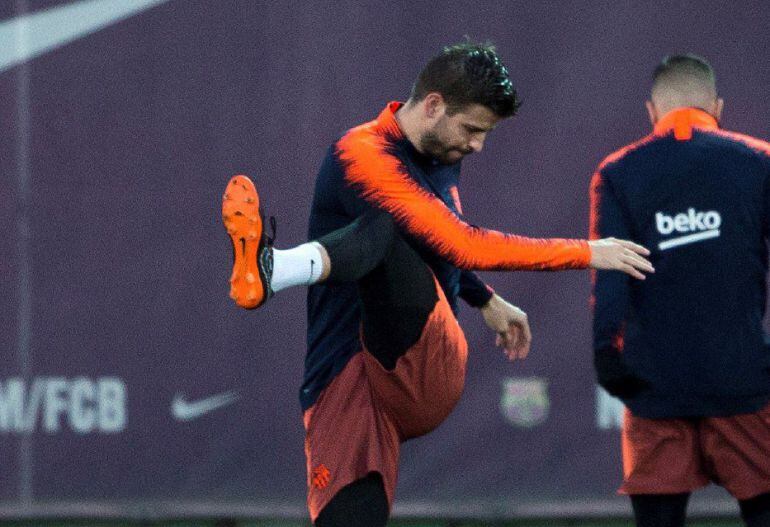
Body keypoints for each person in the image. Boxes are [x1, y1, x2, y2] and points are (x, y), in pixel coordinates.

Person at [223, 41, 653, 527]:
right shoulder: (362, 154)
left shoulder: (441, 148)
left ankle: (273, 270)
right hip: (344, 381)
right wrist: (587, 252)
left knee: (385, 227)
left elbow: (449, 243)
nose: (476, 145)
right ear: (432, 106)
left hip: (425, 366)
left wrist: (482, 295)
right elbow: (457, 242)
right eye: (472, 130)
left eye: (484, 134)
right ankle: (270, 270)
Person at [590, 54, 770, 527]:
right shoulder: (759, 162)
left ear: (652, 111)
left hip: (653, 383)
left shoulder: (618, 172)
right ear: (718, 106)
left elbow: (610, 270)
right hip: (743, 377)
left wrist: (606, 352)